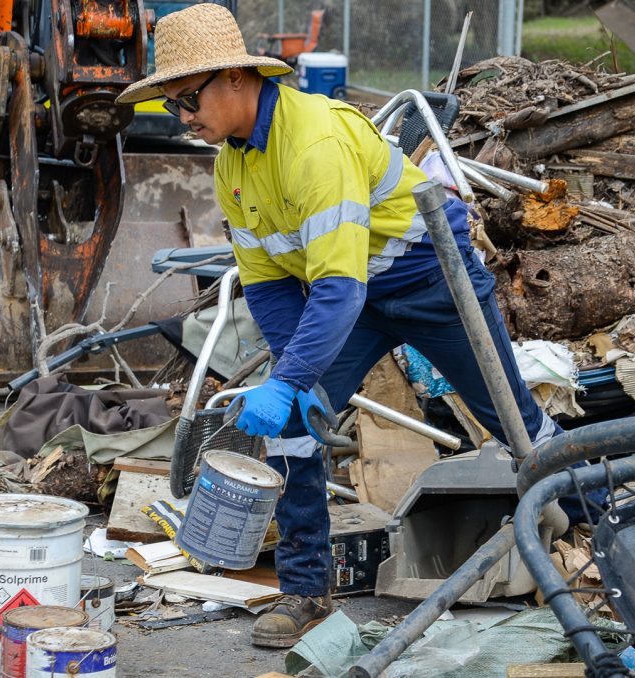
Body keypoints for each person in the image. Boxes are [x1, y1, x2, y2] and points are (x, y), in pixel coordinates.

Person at [118, 3, 558, 649]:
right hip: (348, 291)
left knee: (514, 423)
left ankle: (604, 529)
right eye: (172, 107)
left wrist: (292, 374)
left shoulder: (314, 143)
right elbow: (268, 282)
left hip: (428, 279)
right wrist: (288, 378)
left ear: (237, 79)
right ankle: (304, 593)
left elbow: (338, 287)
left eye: (189, 100)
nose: (183, 118)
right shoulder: (233, 163)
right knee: (296, 424)